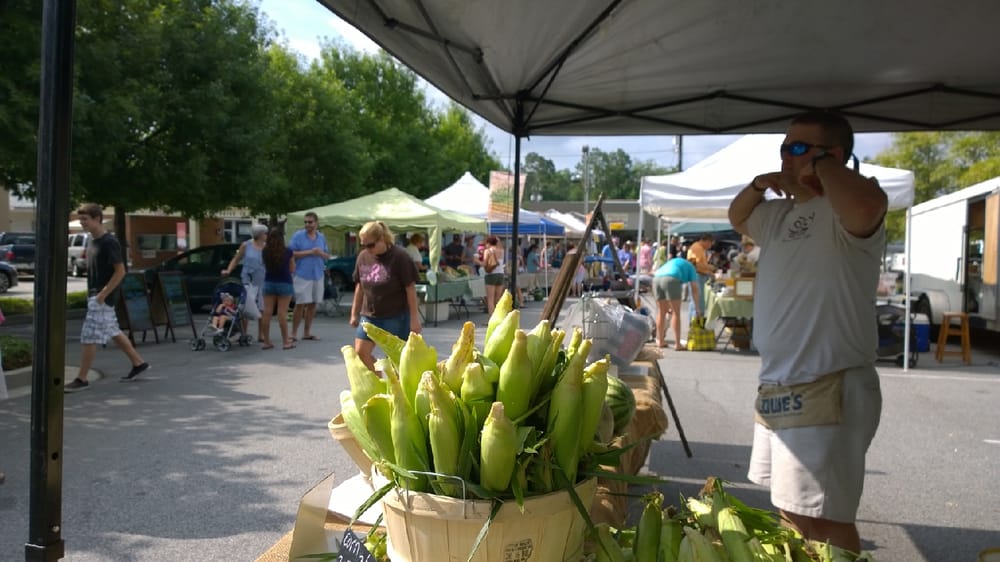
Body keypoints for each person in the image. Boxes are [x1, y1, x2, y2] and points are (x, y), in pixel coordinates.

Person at [728, 110, 888, 553]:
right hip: (780, 385)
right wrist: (759, 184)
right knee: (792, 512)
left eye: (798, 148)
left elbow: (868, 207)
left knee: (826, 521)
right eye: (784, 147)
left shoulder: (849, 205)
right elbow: (737, 217)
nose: (786, 156)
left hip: (827, 383)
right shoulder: (780, 213)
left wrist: (820, 168)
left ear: (832, 155)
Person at [65, 203, 149, 392]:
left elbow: (120, 271)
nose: (82, 222)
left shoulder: (109, 242)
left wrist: (103, 294)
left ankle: (81, 379)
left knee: (88, 337)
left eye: (85, 219)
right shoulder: (92, 240)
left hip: (101, 297)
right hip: (96, 296)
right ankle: (139, 363)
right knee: (113, 331)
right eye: (81, 219)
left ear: (97, 219)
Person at [350, 221, 421, 371]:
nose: (367, 249)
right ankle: (379, 380)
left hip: (396, 316)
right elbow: (359, 286)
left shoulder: (400, 257)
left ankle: (396, 385)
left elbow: (410, 289)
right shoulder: (363, 257)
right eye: (363, 245)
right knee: (360, 353)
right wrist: (354, 313)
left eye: (370, 245)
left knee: (397, 361)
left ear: (382, 239)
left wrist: (414, 319)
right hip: (369, 316)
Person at [289, 212, 330, 342]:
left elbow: (327, 255)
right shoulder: (298, 236)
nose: (307, 224)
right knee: (300, 304)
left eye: (310, 222)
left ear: (316, 223)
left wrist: (321, 253)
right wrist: (310, 252)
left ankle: (307, 332)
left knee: (313, 304)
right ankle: (293, 333)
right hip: (302, 274)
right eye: (306, 222)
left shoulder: (321, 237)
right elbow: (291, 253)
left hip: (318, 273)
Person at [222, 223, 267, 341]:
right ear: (260, 234)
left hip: (263, 279)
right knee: (246, 306)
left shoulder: (267, 247)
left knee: (262, 307)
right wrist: (228, 270)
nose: (266, 235)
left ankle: (261, 334)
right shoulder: (246, 245)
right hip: (248, 279)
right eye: (265, 233)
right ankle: (244, 333)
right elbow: (236, 259)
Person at [652, 257, 701, 350]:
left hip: (656, 278)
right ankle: (677, 344)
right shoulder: (691, 268)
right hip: (672, 279)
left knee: (662, 312)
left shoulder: (677, 262)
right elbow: (694, 289)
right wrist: (697, 307)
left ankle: (660, 341)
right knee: (676, 313)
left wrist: (668, 305)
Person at [261, 228, 296, 350]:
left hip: (269, 282)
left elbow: (264, 265)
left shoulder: (265, 251)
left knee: (267, 312)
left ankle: (266, 341)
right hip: (285, 282)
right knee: (282, 313)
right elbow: (292, 269)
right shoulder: (288, 252)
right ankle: (286, 341)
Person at [686, 233, 716, 317]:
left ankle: (695, 321)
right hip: (697, 276)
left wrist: (708, 272)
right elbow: (695, 264)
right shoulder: (697, 248)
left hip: (699, 276)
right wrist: (709, 267)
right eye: (710, 244)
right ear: (707, 241)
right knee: (697, 303)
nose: (710, 247)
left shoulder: (700, 248)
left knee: (697, 302)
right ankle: (696, 322)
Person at [481, 236, 505, 315]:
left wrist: (476, 260)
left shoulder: (487, 251)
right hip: (500, 274)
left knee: (490, 300)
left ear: (488, 243)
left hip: (491, 275)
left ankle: (492, 319)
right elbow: (500, 244)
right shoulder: (501, 250)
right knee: (497, 299)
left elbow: (484, 264)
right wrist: (497, 239)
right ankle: (499, 317)